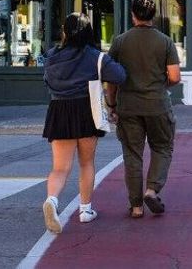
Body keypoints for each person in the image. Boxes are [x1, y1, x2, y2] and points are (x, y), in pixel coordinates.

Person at [40, 13, 126, 234]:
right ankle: (86, 210)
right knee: (86, 163)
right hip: (87, 110)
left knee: (60, 168)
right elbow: (120, 75)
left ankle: (52, 200)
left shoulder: (51, 56)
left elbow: (47, 82)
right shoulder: (95, 57)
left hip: (59, 110)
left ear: (65, 32)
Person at [105, 0, 181, 219]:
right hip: (157, 104)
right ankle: (152, 189)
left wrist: (111, 104)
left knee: (132, 154)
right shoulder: (165, 41)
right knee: (162, 147)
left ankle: (136, 206)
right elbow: (175, 76)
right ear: (154, 15)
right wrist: (160, 85)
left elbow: (111, 79)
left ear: (133, 14)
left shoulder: (120, 42)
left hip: (128, 106)